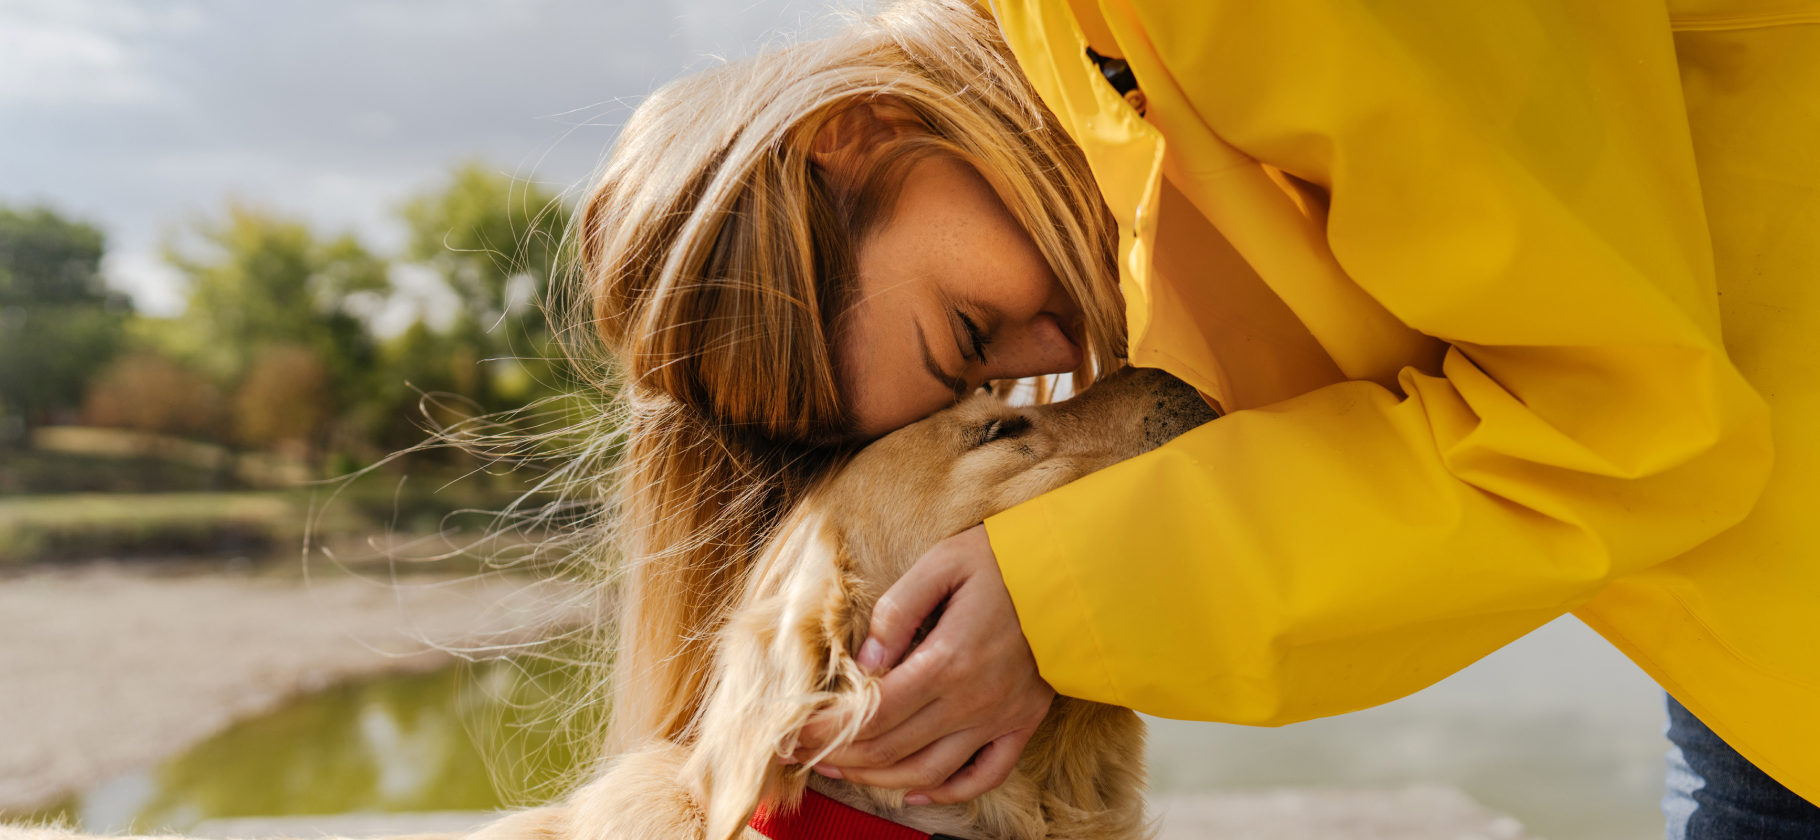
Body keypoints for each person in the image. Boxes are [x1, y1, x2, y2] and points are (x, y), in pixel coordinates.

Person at [573, 0, 1820, 834]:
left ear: (853, 135)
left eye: (967, 336)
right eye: (989, 392)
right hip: (1749, 654)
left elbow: (1632, 415)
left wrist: (1063, 599)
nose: (1052, 357)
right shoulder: (1112, 116)